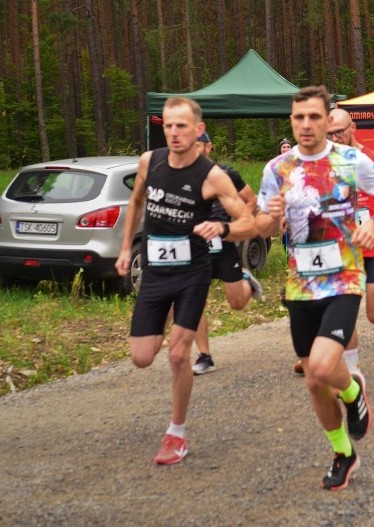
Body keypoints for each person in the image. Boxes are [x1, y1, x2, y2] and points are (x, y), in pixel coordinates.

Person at [255, 85, 374, 491]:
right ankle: (343, 452)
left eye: (314, 117)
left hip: (343, 276)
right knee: (313, 380)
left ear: (327, 121)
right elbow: (264, 228)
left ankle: (354, 390)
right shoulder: (276, 170)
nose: (306, 125)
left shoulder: (350, 160)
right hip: (300, 283)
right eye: (298, 117)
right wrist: (269, 219)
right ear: (291, 121)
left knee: (322, 365)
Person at [115, 96, 257, 465]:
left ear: (198, 130)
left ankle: (176, 433)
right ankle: (165, 330)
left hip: (192, 272)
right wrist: (125, 251)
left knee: (179, 355)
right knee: (142, 357)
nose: (174, 133)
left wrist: (223, 227)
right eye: (169, 126)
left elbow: (249, 222)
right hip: (155, 272)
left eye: (182, 126)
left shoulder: (212, 176)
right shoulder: (151, 161)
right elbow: (134, 204)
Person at [295, 107, 374, 379]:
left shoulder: (373, 160)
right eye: (330, 134)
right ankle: (352, 372)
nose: (335, 137)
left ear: (353, 129)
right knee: (341, 308)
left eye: (339, 131)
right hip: (341, 249)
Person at [191, 132, 264, 375]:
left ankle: (245, 280)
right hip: (194, 246)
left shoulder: (226, 174)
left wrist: (235, 228)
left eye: (199, 145)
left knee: (237, 303)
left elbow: (251, 200)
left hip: (222, 243)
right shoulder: (180, 175)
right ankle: (204, 355)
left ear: (209, 147)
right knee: (193, 300)